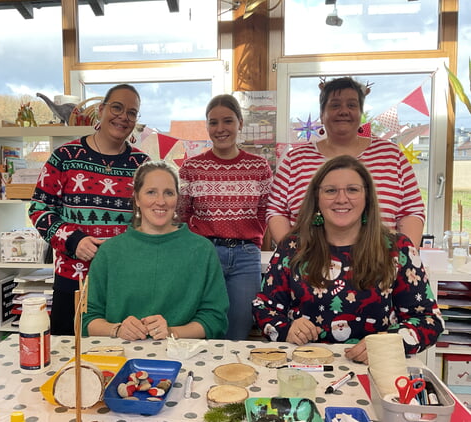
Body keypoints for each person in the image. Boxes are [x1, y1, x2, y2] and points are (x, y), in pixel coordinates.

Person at [253, 155, 443, 364]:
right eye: (331, 190)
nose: (341, 199)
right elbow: (264, 308)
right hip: (304, 368)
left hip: (377, 368)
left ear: (367, 197)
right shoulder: (292, 247)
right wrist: (287, 329)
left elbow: (430, 320)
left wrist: (389, 343)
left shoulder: (397, 249)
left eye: (352, 190)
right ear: (317, 198)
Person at [29, 84, 149, 335]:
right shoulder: (64, 157)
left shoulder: (142, 164)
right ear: (102, 110)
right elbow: (39, 209)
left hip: (125, 280)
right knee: (69, 354)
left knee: (124, 350)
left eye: (132, 112)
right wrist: (73, 240)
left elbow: (148, 218)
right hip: (73, 280)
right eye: (117, 107)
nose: (123, 117)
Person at [267, 76, 425, 248]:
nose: (343, 111)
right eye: (335, 105)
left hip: (380, 266)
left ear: (360, 113)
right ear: (322, 113)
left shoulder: (392, 156)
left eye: (352, 105)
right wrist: (292, 255)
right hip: (309, 268)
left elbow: (412, 211)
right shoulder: (295, 160)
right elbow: (276, 210)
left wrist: (403, 257)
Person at [82, 161, 229, 340]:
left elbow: (215, 319)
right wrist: (117, 329)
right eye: (151, 192)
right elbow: (86, 318)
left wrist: (171, 332)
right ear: (136, 198)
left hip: (184, 356)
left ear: (178, 198)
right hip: (119, 357)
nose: (160, 202)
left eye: (168, 193)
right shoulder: (109, 252)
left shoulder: (203, 251)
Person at [177, 94, 273, 340]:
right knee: (202, 326)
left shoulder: (259, 167)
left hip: (246, 257)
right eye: (213, 122)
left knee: (240, 329)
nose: (220, 129)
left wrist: (252, 242)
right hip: (205, 253)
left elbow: (265, 212)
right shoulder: (191, 168)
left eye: (228, 121)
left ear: (240, 123)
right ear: (207, 126)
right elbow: (181, 214)